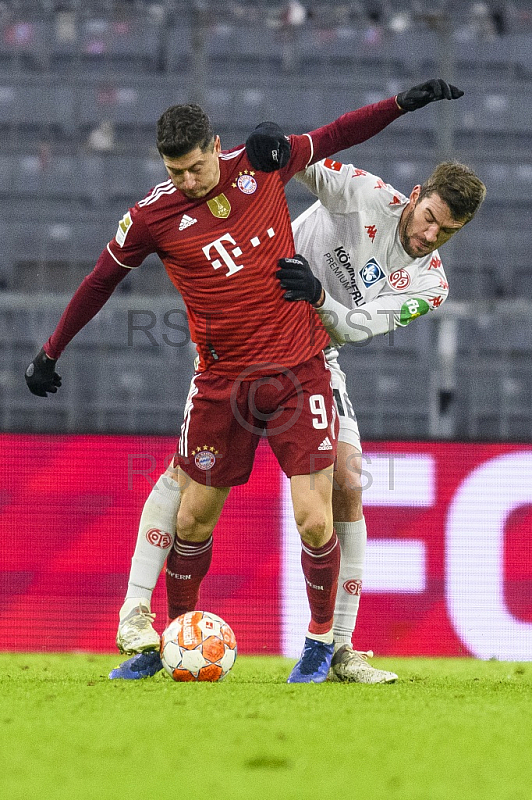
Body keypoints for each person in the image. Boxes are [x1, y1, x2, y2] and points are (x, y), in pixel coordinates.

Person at [25, 80, 465, 683]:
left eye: (197, 166)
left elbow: (359, 321)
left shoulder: (427, 280)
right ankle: (152, 625)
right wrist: (52, 351)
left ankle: (332, 645)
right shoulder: (160, 213)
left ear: (216, 146)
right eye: (176, 171)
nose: (188, 180)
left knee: (339, 491)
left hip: (309, 357)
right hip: (223, 375)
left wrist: (400, 104)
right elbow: (101, 280)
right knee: (190, 509)